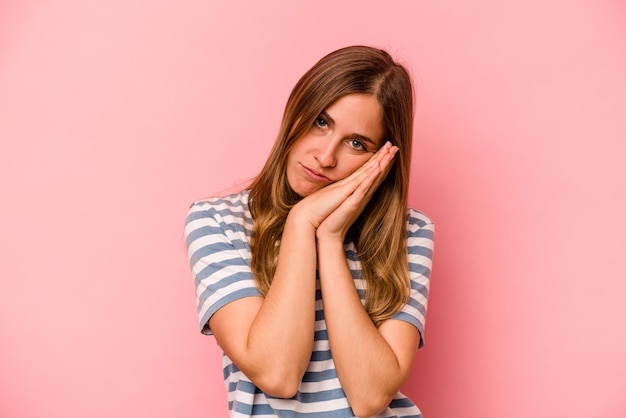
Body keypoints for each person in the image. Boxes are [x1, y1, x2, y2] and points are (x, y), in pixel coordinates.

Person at [184, 45, 434, 418]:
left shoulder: (409, 233)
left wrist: (329, 238)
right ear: (295, 110)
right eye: (321, 121)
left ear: (381, 157)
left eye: (356, 143)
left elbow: (370, 397)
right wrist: (302, 223)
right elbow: (277, 373)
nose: (326, 156)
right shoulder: (217, 221)